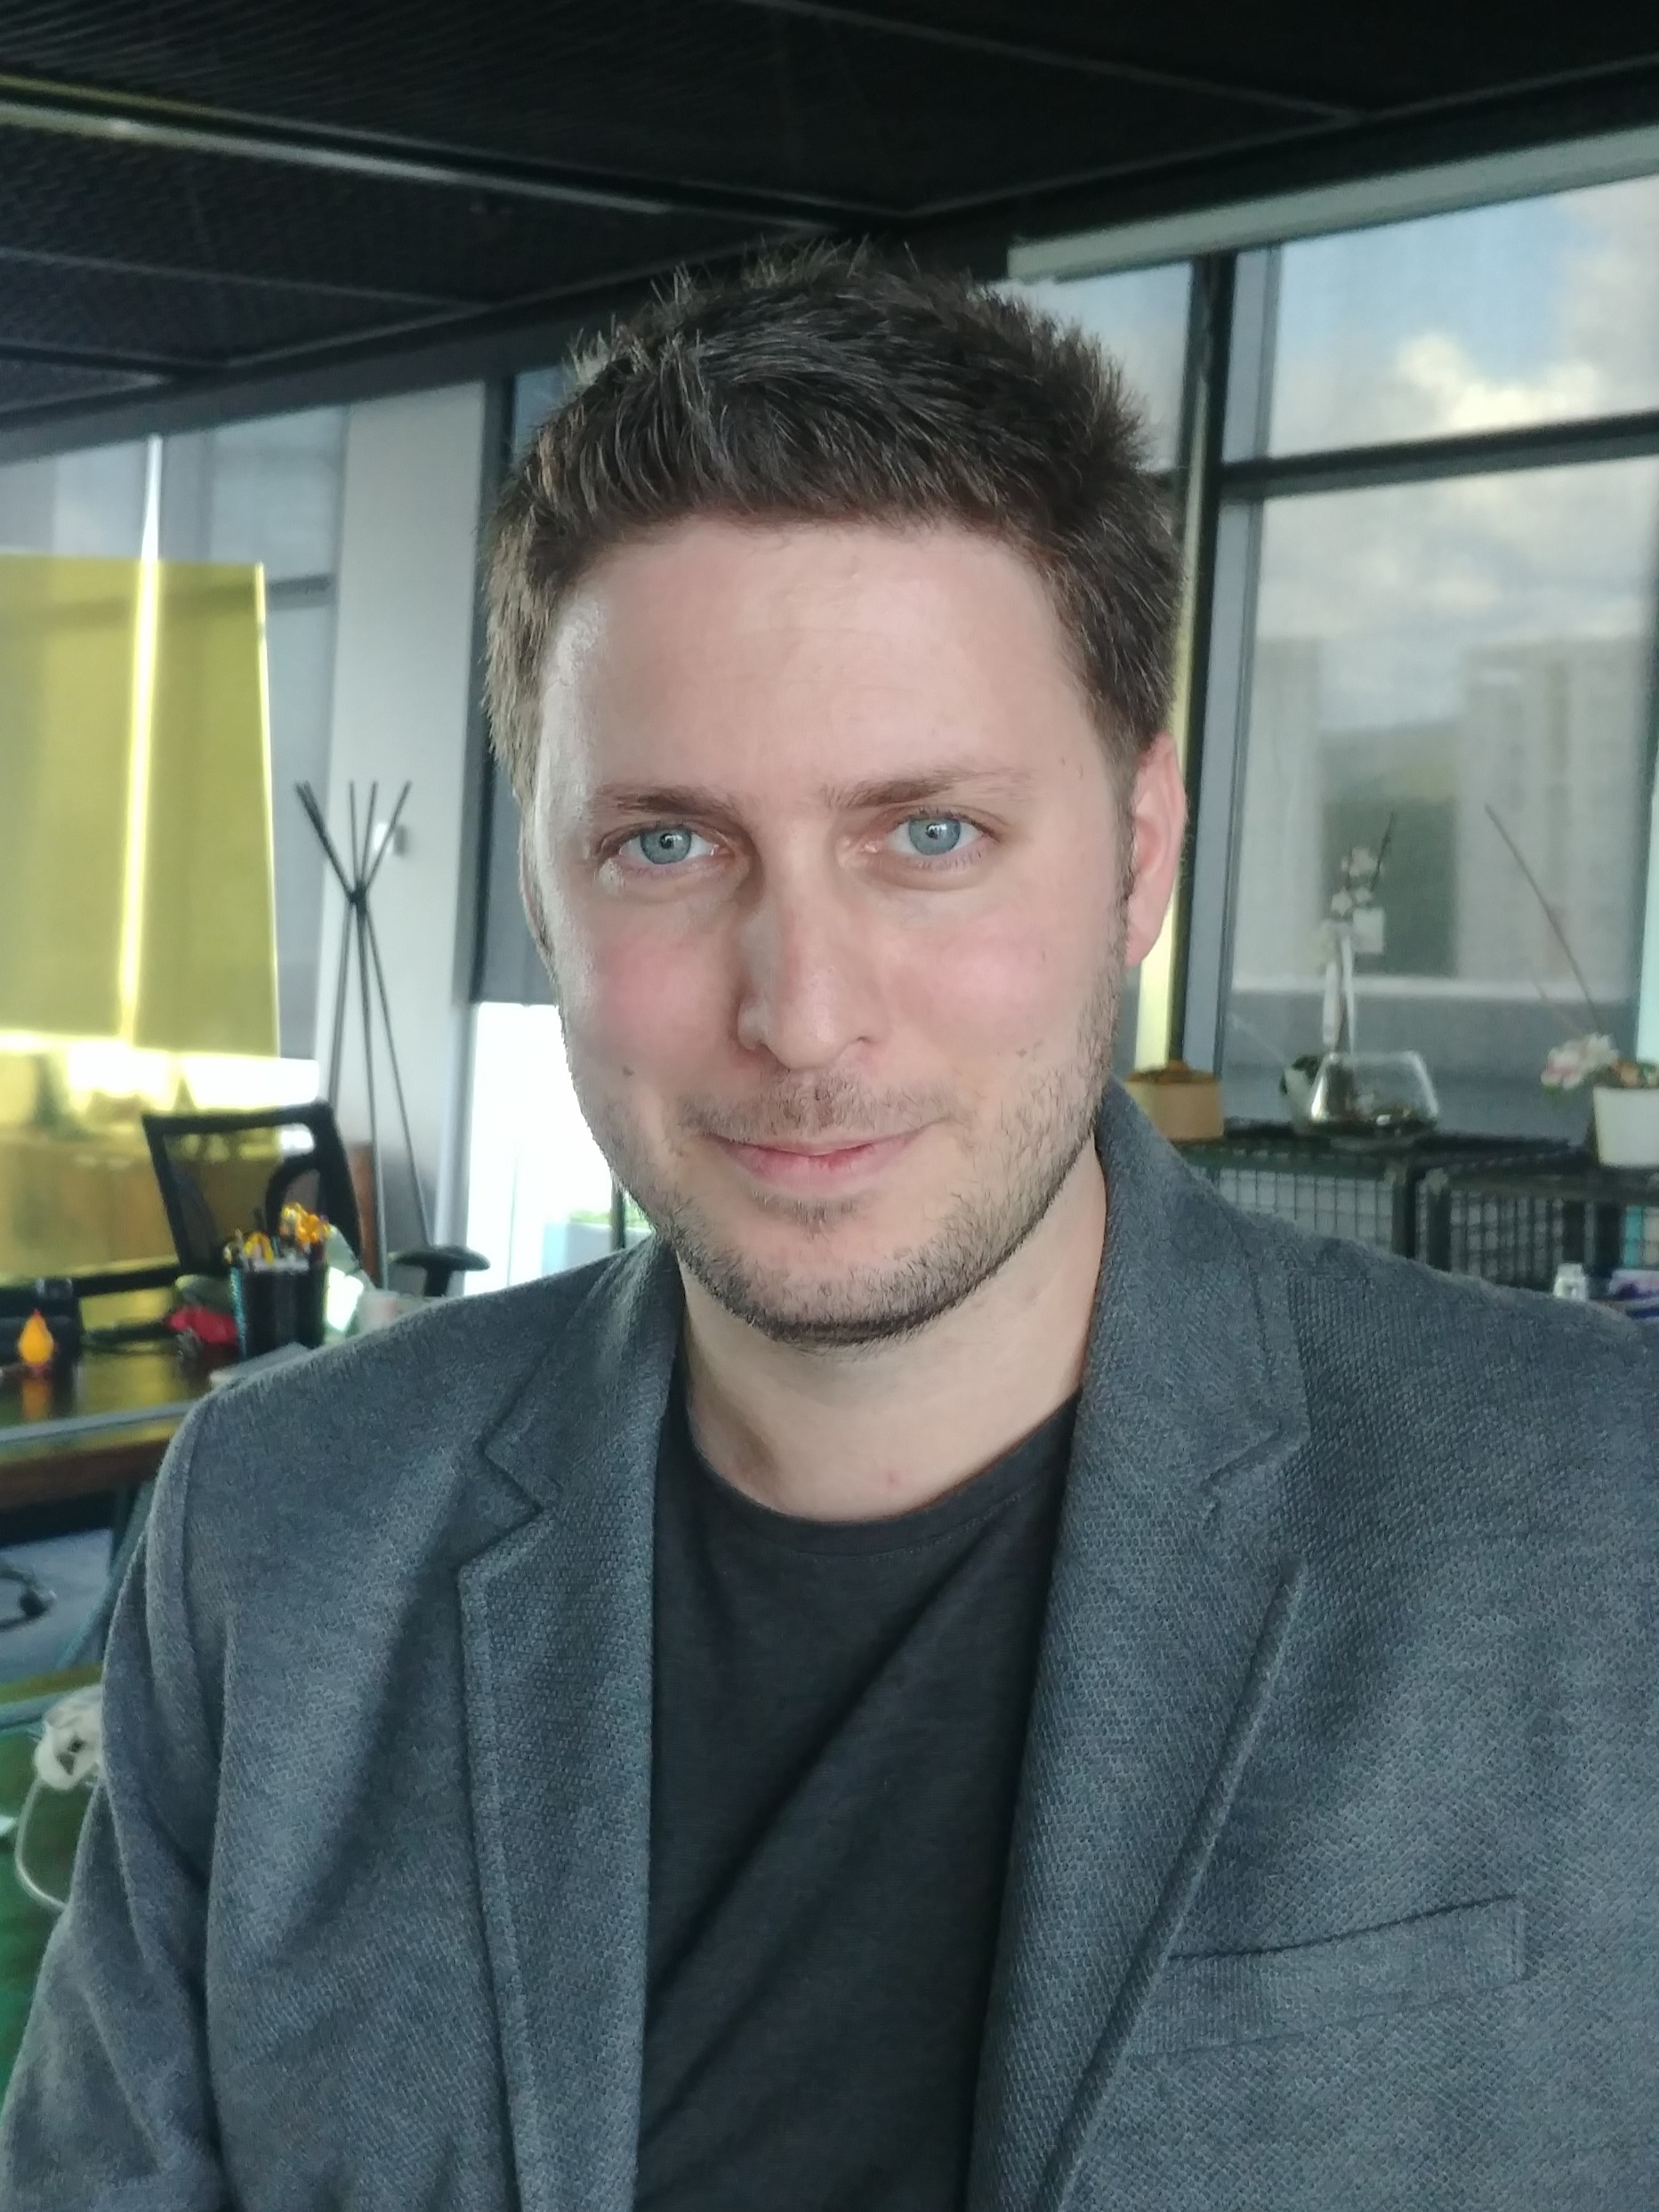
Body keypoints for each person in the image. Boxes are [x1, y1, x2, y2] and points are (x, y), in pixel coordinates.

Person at [3, 250, 1654, 2212]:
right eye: (668, 843)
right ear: (541, 884)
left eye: (929, 835)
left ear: (1138, 859)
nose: (800, 1013)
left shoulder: (1591, 1512)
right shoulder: (282, 1534)